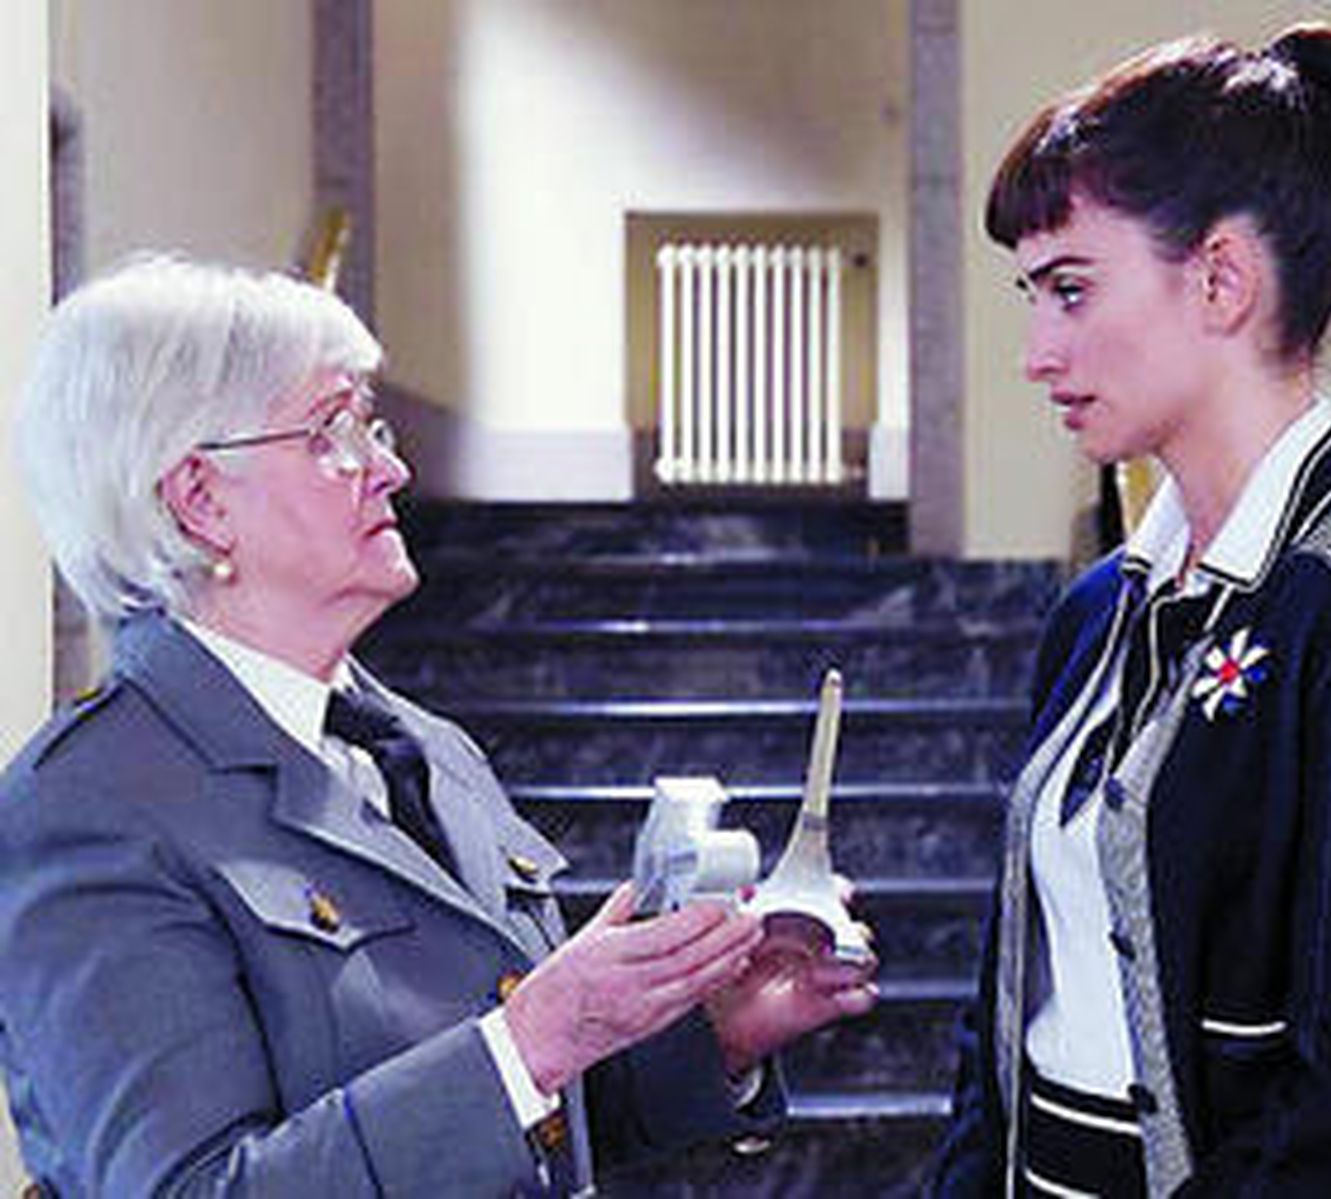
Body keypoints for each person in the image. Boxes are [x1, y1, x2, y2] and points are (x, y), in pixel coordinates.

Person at [0, 255, 878, 1197]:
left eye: (370, 427)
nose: (391, 468)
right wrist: (528, 1040)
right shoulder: (92, 806)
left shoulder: (423, 749)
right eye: (331, 432)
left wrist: (708, 1032)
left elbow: (527, 1126)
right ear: (201, 501)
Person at [931, 24, 1331, 1197]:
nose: (1036, 352)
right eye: (1031, 297)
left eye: (1071, 289)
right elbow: (1006, 1022)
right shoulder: (1098, 610)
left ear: (1220, 280)